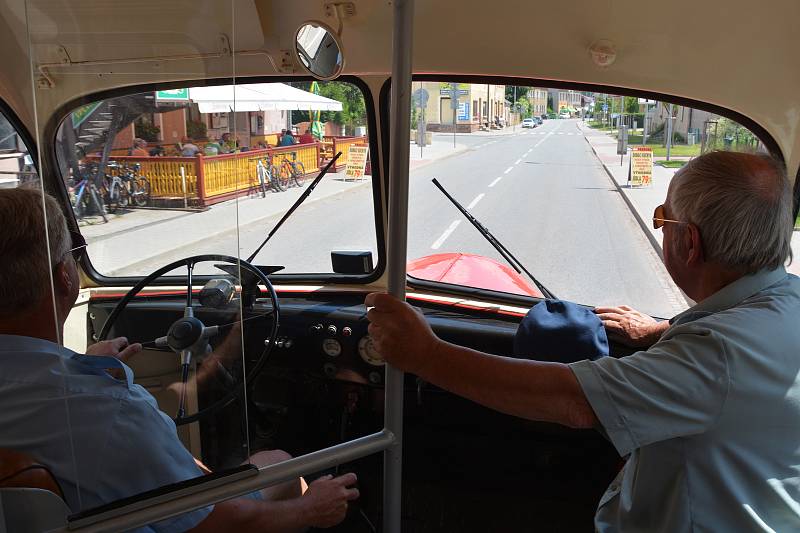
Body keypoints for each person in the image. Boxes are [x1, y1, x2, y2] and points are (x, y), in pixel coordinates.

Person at [366, 151, 800, 531]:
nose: (661, 229)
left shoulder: (715, 354)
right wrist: (662, 330)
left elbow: (573, 402)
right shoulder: (784, 303)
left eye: (662, 219)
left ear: (689, 243)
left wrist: (427, 354)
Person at [0, 188, 359, 532]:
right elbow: (217, 525)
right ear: (65, 276)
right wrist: (309, 509)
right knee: (282, 464)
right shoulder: (110, 409)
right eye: (74, 253)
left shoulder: (71, 397)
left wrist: (78, 364)